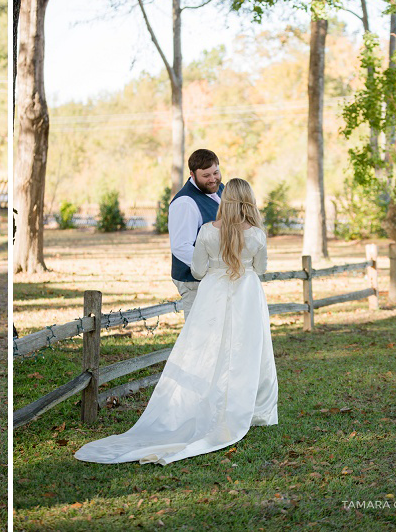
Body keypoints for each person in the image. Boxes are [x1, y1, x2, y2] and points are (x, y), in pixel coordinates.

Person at [75, 178, 278, 465]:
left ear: (226, 199)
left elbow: (196, 270)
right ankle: (256, 410)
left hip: (212, 295)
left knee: (205, 350)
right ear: (249, 201)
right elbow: (261, 269)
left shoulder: (208, 231)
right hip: (246, 296)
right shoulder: (257, 235)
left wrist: (216, 268)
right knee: (248, 350)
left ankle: (204, 400)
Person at [168, 149, 223, 320]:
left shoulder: (220, 189)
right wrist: (213, 267)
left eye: (216, 172)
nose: (213, 179)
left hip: (215, 276)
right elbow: (181, 246)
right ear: (192, 174)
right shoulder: (185, 202)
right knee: (198, 333)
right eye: (206, 175)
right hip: (194, 280)